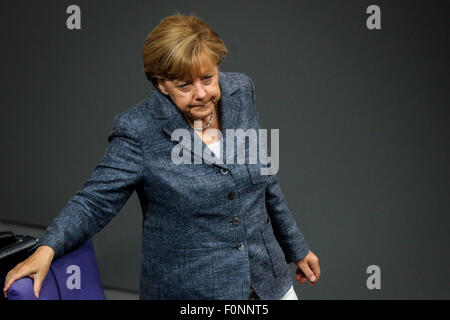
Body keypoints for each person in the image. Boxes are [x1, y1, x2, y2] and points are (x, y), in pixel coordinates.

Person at [3, 13, 320, 300]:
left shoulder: (240, 92)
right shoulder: (138, 130)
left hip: (268, 281)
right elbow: (94, 201)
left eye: (208, 78)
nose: (201, 93)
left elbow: (264, 179)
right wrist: (47, 248)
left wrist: (296, 247)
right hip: (194, 291)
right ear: (161, 85)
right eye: (184, 84)